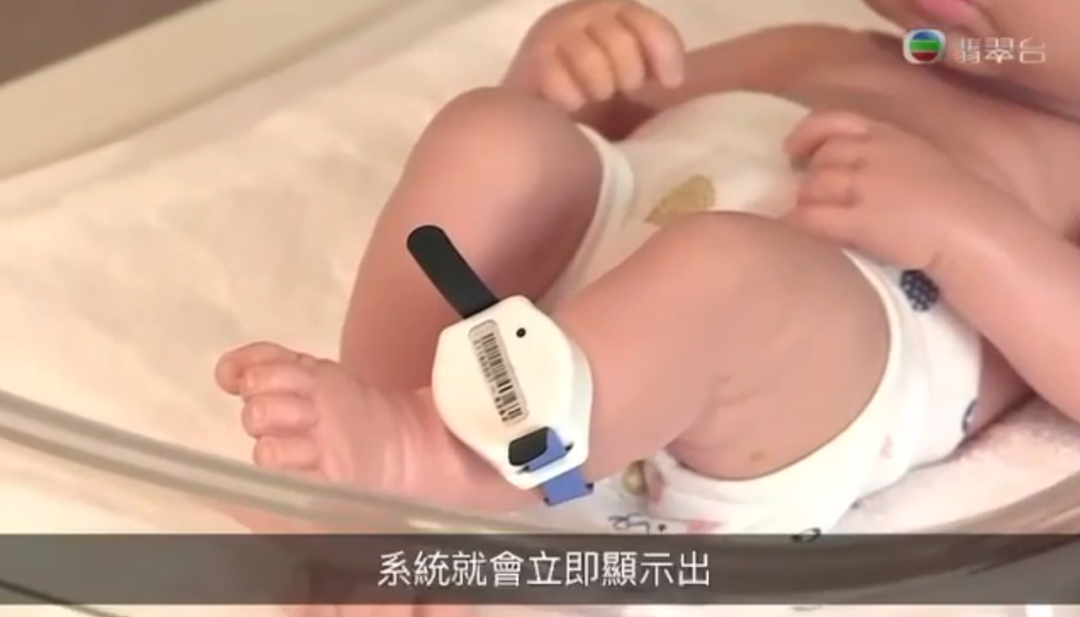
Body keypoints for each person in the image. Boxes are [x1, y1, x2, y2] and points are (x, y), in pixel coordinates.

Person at [215, 0, 1080, 538]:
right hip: (595, 282)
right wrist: (564, 73)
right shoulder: (818, 50)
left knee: (727, 270)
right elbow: (607, 123)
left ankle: (436, 453)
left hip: (779, 399)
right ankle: (374, 454)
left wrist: (967, 233)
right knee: (492, 138)